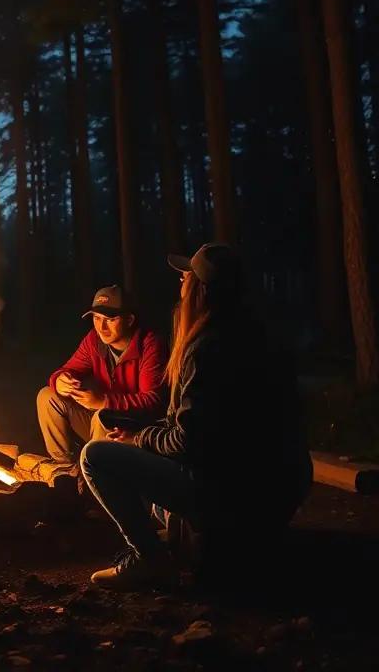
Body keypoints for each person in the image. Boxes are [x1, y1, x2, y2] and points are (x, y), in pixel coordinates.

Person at [81, 243, 313, 591]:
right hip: (278, 485)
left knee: (95, 457)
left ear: (201, 291)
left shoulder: (208, 348)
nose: (180, 283)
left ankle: (150, 559)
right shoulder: (257, 333)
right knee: (136, 451)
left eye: (186, 278)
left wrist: (140, 439)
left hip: (234, 489)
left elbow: (189, 440)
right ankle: (188, 533)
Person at [37, 285, 166, 477]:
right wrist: (60, 381)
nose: (101, 327)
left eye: (110, 319)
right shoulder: (93, 341)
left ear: (129, 319)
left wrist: (103, 402)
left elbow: (152, 400)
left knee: (101, 416)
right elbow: (69, 369)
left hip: (136, 429)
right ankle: (63, 470)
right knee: (47, 395)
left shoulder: (150, 345)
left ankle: (96, 478)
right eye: (96, 318)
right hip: (104, 420)